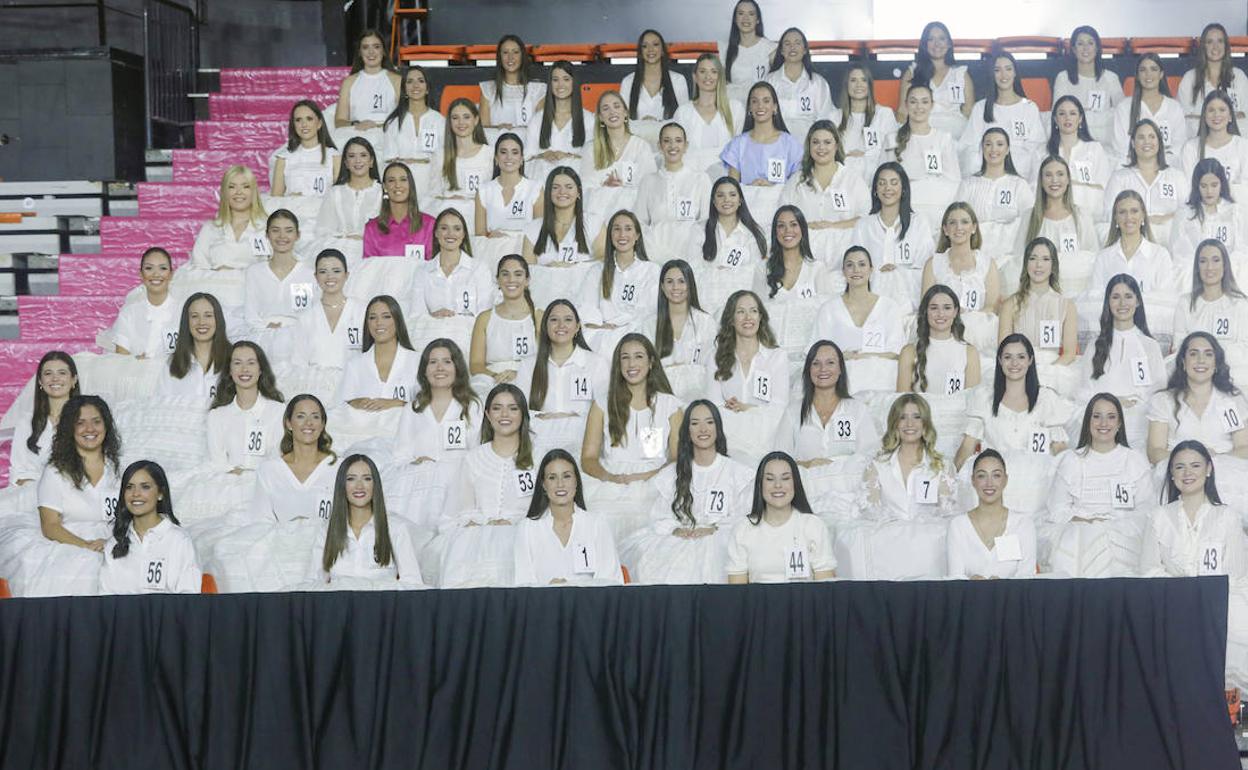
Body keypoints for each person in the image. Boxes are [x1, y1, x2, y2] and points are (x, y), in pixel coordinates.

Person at [1138, 439, 1248, 688]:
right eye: (1179, 467)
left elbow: (1236, 575)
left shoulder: (1227, 517)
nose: (1188, 473)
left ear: (1208, 469)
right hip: (1171, 603)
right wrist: (1183, 591)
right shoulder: (1158, 517)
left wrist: (1204, 596)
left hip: (1218, 605)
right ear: (1171, 475)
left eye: (1195, 465)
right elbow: (1148, 570)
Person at [208, 394, 339, 592]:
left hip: (328, 551)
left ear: (322, 424)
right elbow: (261, 522)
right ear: (288, 423)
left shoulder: (339, 467)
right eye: (301, 416)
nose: (309, 423)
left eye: (315, 417)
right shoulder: (269, 469)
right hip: (283, 554)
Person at [619, 400, 753, 583]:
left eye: (709, 422)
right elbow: (659, 517)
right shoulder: (672, 474)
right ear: (687, 431)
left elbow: (744, 517)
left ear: (718, 428)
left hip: (720, 538)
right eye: (695, 423)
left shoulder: (736, 472)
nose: (703, 429)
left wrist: (713, 528)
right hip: (680, 539)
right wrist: (676, 530)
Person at [0, 396, 121, 596]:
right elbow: (50, 526)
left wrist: (112, 541)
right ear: (69, 429)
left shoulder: (119, 469)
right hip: (72, 542)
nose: (89, 429)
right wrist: (86, 546)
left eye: (96, 421)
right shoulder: (55, 472)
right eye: (80, 423)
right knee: (90, 570)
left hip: (112, 539)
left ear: (106, 426)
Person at [954, 334, 1071, 516]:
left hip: (1036, 487)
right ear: (1000, 361)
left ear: (1030, 360)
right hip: (995, 483)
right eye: (1008, 357)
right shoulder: (984, 398)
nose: (1014, 363)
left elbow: (1060, 450)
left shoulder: (1046, 399)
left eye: (1021, 357)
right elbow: (967, 447)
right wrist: (952, 476)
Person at [581, 333, 683, 541]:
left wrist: (646, 477)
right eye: (625, 357)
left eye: (638, 356)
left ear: (651, 362)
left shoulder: (670, 405)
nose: (631, 363)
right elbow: (588, 458)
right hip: (611, 482)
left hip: (656, 480)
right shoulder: (602, 403)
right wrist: (610, 478)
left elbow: (676, 458)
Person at [433, 383, 536, 587]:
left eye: (513, 408)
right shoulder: (473, 459)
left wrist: (512, 523)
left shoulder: (538, 457)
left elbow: (543, 510)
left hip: (522, 537)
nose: (504, 414)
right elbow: (457, 512)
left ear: (523, 414)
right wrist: (478, 524)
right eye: (497, 408)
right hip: (477, 541)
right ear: (488, 415)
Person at [846, 393, 959, 579]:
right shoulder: (877, 466)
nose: (909, 424)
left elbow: (948, 515)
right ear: (895, 424)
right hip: (889, 551)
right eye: (902, 417)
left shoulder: (943, 466)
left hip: (929, 555)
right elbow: (869, 512)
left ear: (925, 424)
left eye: (916, 417)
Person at [1049, 393, 1155, 576]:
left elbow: (1147, 509)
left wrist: (1111, 526)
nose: (1103, 423)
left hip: (1124, 536)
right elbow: (1056, 509)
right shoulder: (1071, 460)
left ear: (1120, 423)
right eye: (1097, 416)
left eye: (1111, 417)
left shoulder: (1135, 460)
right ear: (1088, 422)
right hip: (1078, 536)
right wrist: (1085, 522)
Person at [776, 341, 881, 523]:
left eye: (830, 363)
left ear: (840, 369)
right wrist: (809, 464)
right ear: (808, 370)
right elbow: (779, 460)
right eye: (816, 363)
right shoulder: (793, 411)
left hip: (848, 494)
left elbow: (871, 456)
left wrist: (837, 466)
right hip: (807, 492)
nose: (823, 369)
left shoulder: (856, 409)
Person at [389, 340, 482, 532]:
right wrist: (416, 462)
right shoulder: (412, 409)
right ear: (424, 370)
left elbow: (478, 454)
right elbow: (400, 456)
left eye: (447, 362)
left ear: (457, 368)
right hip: (420, 492)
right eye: (433, 362)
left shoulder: (473, 407)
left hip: (458, 490)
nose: (439, 368)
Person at [1076, 274, 1166, 449]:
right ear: (1108, 303)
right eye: (1116, 297)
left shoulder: (1150, 346)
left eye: (1128, 296)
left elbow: (1159, 394)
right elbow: (1083, 393)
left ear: (1138, 302)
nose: (1122, 303)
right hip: (1102, 424)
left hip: (1139, 424)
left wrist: (1133, 405)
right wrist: (1113, 403)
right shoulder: (1095, 345)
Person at [306, 453, 424, 587]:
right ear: (342, 485)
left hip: (383, 606)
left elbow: (413, 584)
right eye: (351, 479)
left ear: (375, 485)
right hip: (339, 606)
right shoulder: (326, 530)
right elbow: (312, 585)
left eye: (367, 479)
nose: (359, 486)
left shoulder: (396, 528)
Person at [513, 449, 624, 586]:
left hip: (589, 605)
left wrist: (571, 589)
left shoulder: (596, 523)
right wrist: (549, 591)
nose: (560, 484)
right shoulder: (527, 529)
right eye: (552, 477)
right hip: (543, 605)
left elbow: (611, 581)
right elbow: (523, 585)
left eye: (566, 476)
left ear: (576, 481)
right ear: (543, 485)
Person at [705, 290, 791, 465]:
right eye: (740, 311)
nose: (748, 317)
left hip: (767, 441)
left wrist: (745, 408)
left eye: (753, 311)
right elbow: (713, 406)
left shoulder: (777, 357)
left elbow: (779, 409)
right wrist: (752, 411)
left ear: (761, 317)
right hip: (729, 443)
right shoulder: (715, 357)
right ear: (731, 319)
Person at [1147, 334, 1248, 481]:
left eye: (1208, 354)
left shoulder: (1232, 401)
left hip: (1225, 474)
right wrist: (1191, 462)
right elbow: (1155, 452)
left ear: (1216, 363)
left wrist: (1215, 460)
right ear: (1183, 362)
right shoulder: (1163, 401)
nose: (1201, 360)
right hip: (1178, 478)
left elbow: (1244, 448)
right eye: (1194, 354)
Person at [725, 451, 836, 582]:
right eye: (770, 479)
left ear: (795, 484)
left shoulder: (813, 525)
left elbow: (825, 589)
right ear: (760, 485)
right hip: (758, 602)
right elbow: (737, 593)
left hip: (803, 602)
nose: (778, 485)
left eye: (785, 478)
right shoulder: (743, 529)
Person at [897, 285, 980, 458]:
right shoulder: (909, 352)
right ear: (925, 312)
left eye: (947, 308)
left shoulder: (969, 352)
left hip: (957, 430)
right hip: (921, 431)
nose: (940, 314)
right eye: (934, 308)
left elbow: (973, 404)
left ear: (956, 312)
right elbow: (901, 403)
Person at [809, 247, 906, 394]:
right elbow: (816, 354)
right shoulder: (828, 309)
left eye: (862, 264)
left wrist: (858, 356)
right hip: (842, 383)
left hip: (883, 381)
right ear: (843, 271)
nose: (856, 270)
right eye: (850, 265)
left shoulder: (890, 307)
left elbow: (897, 353)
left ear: (871, 270)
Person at [516, 298, 602, 461]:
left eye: (568, 320)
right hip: (540, 444)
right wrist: (570, 417)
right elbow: (523, 413)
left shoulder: (596, 363)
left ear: (577, 327)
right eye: (554, 320)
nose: (561, 325)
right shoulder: (528, 365)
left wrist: (553, 418)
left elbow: (602, 411)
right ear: (545, 327)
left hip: (583, 442)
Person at [1082, 190, 1177, 337]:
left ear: (1143, 215)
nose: (1129, 217)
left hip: (1151, 332)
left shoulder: (1160, 255)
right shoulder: (1104, 257)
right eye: (1122, 212)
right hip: (1111, 333)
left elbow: (1165, 301)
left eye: (1134, 211)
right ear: (1116, 218)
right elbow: (1096, 299)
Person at [99, 461, 201, 594]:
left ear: (160, 493)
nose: (136, 494)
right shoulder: (114, 544)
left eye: (145, 487)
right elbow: (105, 599)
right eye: (129, 487)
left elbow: (189, 598)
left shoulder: (179, 540)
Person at [779, 119, 870, 267]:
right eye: (815, 142)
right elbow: (782, 216)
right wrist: (806, 226)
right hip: (804, 252)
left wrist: (833, 225)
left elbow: (865, 219)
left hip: (843, 251)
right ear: (809, 146)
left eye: (827, 142)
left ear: (836, 146)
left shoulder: (852, 180)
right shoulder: (797, 181)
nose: (821, 147)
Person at [996, 237, 1080, 396]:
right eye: (1033, 258)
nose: (1039, 265)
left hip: (1055, 370)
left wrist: (1047, 371)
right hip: (1018, 368)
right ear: (1026, 264)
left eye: (1045, 259)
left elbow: (1069, 353)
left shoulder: (1067, 306)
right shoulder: (1010, 305)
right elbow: (1003, 350)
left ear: (1053, 265)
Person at [851, 162, 936, 312]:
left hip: (909, 298)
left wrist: (897, 273)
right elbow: (854, 264)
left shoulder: (918, 222)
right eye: (882, 183)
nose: (887, 188)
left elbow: (926, 268)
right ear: (875, 190)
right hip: (871, 296)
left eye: (894, 183)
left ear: (903, 188)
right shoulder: (863, 225)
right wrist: (878, 273)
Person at [179, 165, 268, 306]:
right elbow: (199, 266)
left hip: (254, 298)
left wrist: (233, 274)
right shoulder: (210, 228)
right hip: (214, 299)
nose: (239, 192)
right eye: (232, 187)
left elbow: (270, 268)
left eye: (245, 186)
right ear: (225, 192)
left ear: (254, 192)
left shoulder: (266, 228)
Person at [922, 201, 1002, 359]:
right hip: (943, 328)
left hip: (978, 333)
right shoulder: (934, 264)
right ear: (945, 229)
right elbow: (926, 305)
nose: (959, 228)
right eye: (952, 223)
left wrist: (969, 317)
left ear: (973, 228)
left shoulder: (987, 263)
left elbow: (992, 306)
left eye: (965, 222)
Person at [408, 208, 492, 355]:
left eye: (457, 229)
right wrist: (433, 316)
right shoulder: (422, 271)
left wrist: (456, 322)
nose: (450, 234)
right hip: (432, 338)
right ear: (436, 233)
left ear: (464, 234)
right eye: (444, 228)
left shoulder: (479, 269)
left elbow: (484, 315)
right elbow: (416, 316)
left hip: (467, 340)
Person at [1013, 154, 1098, 297]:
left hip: (1076, 292)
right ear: (1041, 181)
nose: (1054, 180)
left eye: (1060, 174)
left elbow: (1092, 257)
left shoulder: (1082, 216)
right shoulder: (1029, 217)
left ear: (1068, 180)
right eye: (1048, 175)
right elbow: (1019, 256)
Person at [720, 81, 802, 226]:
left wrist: (772, 187)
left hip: (779, 209)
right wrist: (751, 188)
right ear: (749, 108)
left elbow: (796, 185)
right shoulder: (738, 144)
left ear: (775, 107)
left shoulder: (790, 144)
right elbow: (732, 187)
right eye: (755, 101)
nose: (760, 106)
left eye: (766, 101)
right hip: (747, 209)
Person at [576, 210, 660, 351]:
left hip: (636, 334)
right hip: (602, 334)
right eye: (617, 229)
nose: (622, 235)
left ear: (637, 235)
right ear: (610, 235)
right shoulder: (596, 271)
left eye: (628, 229)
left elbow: (648, 312)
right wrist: (600, 327)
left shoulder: (651, 270)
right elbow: (586, 307)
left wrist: (621, 328)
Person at [287, 249, 366, 399]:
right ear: (316, 277)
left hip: (354, 387)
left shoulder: (362, 311)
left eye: (336, 271)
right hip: (316, 388)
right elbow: (299, 362)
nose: (330, 276)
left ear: (346, 275)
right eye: (323, 271)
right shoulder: (305, 317)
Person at [946, 449, 1037, 579]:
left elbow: (1027, 579)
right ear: (973, 480)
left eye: (996, 475)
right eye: (982, 476)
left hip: (1012, 599)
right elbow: (955, 579)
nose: (989, 483)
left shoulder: (1023, 525)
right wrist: (970, 585)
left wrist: (1003, 588)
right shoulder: (958, 525)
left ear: (1005, 480)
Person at [955, 127, 1035, 273]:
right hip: (973, 256)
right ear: (982, 148)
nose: (993, 149)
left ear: (1008, 150)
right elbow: (956, 219)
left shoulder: (1019, 185)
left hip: (1009, 257)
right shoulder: (968, 184)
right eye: (988, 144)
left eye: (999, 144)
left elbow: (1030, 221)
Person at [958, 51, 1045, 181]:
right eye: (997, 70)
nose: (1003, 75)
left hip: (1020, 175)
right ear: (992, 74)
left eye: (1008, 69)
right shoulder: (980, 108)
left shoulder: (1029, 107)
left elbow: (1037, 148)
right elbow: (969, 145)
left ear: (1015, 72)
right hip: (986, 173)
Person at [204, 340, 286, 476]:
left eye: (251, 363)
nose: (244, 369)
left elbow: (278, 457)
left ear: (260, 369)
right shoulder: (217, 416)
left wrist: (250, 474)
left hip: (267, 484)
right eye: (237, 363)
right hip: (228, 485)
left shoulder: (278, 411)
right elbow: (217, 463)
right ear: (229, 370)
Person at [1174, 239, 1248, 386]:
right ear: (1197, 267)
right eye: (1203, 261)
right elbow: (1179, 347)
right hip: (1194, 378)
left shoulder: (1240, 304)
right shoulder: (1185, 303)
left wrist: (1211, 357)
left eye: (1215, 260)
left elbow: (1244, 350)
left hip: (1233, 375)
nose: (1209, 267)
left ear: (1225, 265)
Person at [241, 209, 315, 358]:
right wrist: (267, 330)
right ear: (267, 235)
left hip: (298, 340)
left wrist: (286, 332)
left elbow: (309, 315)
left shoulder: (309, 273)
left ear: (297, 235)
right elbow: (250, 315)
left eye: (288, 231)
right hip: (261, 338)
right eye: (275, 231)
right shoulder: (254, 272)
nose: (282, 236)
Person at [638, 260, 715, 401]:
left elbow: (709, 365)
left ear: (690, 285)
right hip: (661, 395)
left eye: (681, 281)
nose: (675, 287)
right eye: (669, 282)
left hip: (699, 396)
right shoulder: (649, 324)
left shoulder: (705, 322)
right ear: (662, 286)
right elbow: (648, 367)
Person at [634, 122, 711, 262]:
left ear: (686, 146)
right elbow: (639, 222)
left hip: (690, 251)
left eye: (678, 141)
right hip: (655, 251)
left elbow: (706, 220)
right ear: (659, 146)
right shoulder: (648, 181)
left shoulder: (700, 179)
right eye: (667, 141)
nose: (672, 146)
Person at [1103, 119, 1189, 243]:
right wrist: (1143, 219)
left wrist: (1164, 218)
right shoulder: (1119, 177)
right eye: (1141, 137)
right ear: (1133, 143)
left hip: (1170, 239)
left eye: (1152, 137)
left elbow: (1186, 212)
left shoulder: (1176, 177)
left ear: (1159, 142)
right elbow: (1109, 214)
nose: (1147, 142)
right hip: (1131, 237)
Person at [891, 84, 961, 231]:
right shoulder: (892, 139)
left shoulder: (943, 138)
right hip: (906, 208)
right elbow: (885, 179)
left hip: (938, 208)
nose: (919, 107)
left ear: (932, 105)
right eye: (913, 101)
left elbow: (954, 180)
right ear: (906, 105)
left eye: (924, 102)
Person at [695, 176, 768, 314]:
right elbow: (694, 269)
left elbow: (755, 273)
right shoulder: (699, 230)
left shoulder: (752, 234)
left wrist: (720, 272)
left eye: (732, 195)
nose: (726, 200)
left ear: (740, 200)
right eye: (720, 195)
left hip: (741, 305)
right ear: (713, 201)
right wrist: (734, 272)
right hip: (707, 302)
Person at [580, 90, 656, 221]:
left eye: (616, 106)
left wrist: (623, 188)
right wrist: (605, 186)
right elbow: (585, 191)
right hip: (599, 216)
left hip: (633, 215)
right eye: (605, 108)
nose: (612, 112)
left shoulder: (641, 146)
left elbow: (649, 187)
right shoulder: (590, 149)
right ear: (600, 118)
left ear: (625, 113)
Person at [336, 295, 419, 414]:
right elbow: (340, 406)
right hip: (364, 430)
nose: (379, 323)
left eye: (386, 317)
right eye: (372, 317)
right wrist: (356, 403)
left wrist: (399, 403)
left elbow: (427, 404)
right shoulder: (355, 364)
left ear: (397, 320)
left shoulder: (417, 361)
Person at [468, 254, 540, 392]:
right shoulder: (484, 318)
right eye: (505, 274)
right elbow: (476, 365)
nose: (511, 280)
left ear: (527, 280)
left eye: (518, 274)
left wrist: (520, 376)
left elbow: (546, 360)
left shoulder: (539, 317)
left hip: (530, 379)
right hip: (492, 380)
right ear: (498, 280)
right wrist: (498, 377)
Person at [8, 351, 79, 486]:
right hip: (33, 496)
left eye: (62, 373)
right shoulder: (26, 423)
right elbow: (17, 473)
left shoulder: (88, 420)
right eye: (48, 373)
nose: (55, 378)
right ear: (40, 381)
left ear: (73, 380)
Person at [310, 137, 382, 265]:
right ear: (346, 163)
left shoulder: (382, 192)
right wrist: (345, 239)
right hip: (338, 250)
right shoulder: (335, 192)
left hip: (372, 252)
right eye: (352, 156)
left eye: (363, 155)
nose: (358, 161)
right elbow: (323, 230)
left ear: (371, 161)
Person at [473, 132, 543, 265]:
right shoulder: (483, 190)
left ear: (522, 158)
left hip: (525, 253)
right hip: (492, 253)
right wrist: (493, 238)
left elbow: (539, 232)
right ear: (496, 158)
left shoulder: (535, 188)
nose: (509, 157)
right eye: (503, 152)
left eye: (515, 152)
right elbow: (480, 236)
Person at [897, 21, 974, 138]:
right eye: (931, 39)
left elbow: (968, 112)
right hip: (921, 134)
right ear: (924, 44)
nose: (937, 44)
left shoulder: (961, 74)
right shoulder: (912, 73)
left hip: (955, 136)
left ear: (948, 44)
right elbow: (903, 112)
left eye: (942, 39)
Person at [672, 53, 745, 175]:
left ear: (720, 76)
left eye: (713, 71)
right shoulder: (683, 112)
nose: (708, 76)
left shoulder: (735, 109)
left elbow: (739, 153)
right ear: (695, 77)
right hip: (690, 178)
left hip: (725, 180)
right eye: (702, 71)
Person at [381, 65, 445, 202]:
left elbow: (443, 158)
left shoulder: (439, 121)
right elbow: (389, 160)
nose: (415, 85)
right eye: (410, 81)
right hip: (402, 184)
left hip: (432, 183)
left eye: (421, 81)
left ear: (427, 88)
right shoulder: (393, 123)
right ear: (404, 89)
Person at [1170, 159, 1247, 273]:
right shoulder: (1184, 214)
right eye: (1204, 186)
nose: (1209, 191)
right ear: (1197, 186)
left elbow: (1242, 250)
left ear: (1222, 184)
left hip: (1231, 272)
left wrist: (1222, 269)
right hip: (1194, 274)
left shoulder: (1236, 212)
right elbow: (1180, 254)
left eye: (1214, 185)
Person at [1052, 25, 1124, 146]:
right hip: (1073, 140)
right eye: (1080, 44)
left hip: (1104, 141)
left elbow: (1122, 113)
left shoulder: (1111, 78)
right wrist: (1100, 116)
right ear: (1074, 49)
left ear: (1097, 48)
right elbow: (1058, 114)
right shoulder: (1063, 78)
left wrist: (1082, 114)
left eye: (1090, 43)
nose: (1085, 48)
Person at [1111, 53, 1187, 167]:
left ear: (1161, 74)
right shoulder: (1124, 107)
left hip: (1167, 169)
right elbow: (1120, 148)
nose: (1148, 74)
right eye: (1143, 70)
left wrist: (1156, 163)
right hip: (1133, 170)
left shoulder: (1174, 107)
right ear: (1137, 75)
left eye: (1153, 69)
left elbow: (1179, 146)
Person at [764, 27, 837, 143]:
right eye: (787, 44)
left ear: (804, 50)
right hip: (776, 144)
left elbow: (825, 118)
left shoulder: (818, 83)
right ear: (781, 51)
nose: (792, 47)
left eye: (797, 43)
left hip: (810, 146)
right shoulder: (770, 81)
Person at [525, 61, 594, 184]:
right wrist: (543, 155)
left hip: (577, 182)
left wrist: (567, 156)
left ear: (574, 83)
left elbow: (592, 158)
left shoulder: (588, 119)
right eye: (555, 80)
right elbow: (527, 158)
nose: (560, 84)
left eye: (566, 79)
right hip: (542, 182)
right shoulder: (537, 119)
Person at [430, 98, 493, 233]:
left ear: (476, 120)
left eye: (466, 117)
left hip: (480, 219)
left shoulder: (489, 153)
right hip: (449, 219)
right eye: (455, 118)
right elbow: (433, 194)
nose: (461, 123)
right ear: (450, 122)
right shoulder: (440, 155)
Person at [1047, 96, 1113, 224]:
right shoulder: (1043, 152)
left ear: (1080, 118)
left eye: (1072, 113)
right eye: (1062, 114)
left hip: (1090, 217)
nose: (1067, 118)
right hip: (1053, 217)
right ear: (1055, 119)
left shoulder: (1094, 149)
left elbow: (1104, 187)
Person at [333, 29, 401, 148]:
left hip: (388, 135)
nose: (371, 52)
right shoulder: (349, 82)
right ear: (360, 52)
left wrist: (377, 126)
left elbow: (404, 117)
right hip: (357, 135)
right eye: (365, 47)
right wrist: (357, 124)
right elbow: (340, 121)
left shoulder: (397, 80)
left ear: (383, 51)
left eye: (376, 47)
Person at [619, 29, 689, 146]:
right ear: (640, 52)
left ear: (662, 50)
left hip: (668, 147)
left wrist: (657, 124)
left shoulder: (678, 80)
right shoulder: (628, 82)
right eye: (645, 46)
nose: (650, 49)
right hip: (636, 144)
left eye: (655, 45)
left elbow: (684, 119)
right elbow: (622, 121)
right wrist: (642, 124)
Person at [156, 293, 230, 401]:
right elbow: (160, 406)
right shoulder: (173, 363)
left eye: (208, 315)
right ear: (187, 322)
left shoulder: (234, 358)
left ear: (218, 320)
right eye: (194, 316)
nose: (201, 322)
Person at [1177, 23, 1248, 136]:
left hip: (1236, 147)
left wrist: (1200, 117)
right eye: (1210, 42)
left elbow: (1245, 117)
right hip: (1198, 146)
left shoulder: (1239, 76)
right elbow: (1182, 120)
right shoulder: (1189, 78)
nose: (1215, 47)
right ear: (1203, 46)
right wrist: (1230, 116)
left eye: (1220, 41)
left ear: (1226, 46)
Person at [111, 247, 181, 359]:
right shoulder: (129, 313)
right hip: (134, 375)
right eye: (149, 268)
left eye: (162, 268)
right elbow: (121, 358)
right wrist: (135, 362)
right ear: (141, 274)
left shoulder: (183, 311)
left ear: (171, 274)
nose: (156, 274)